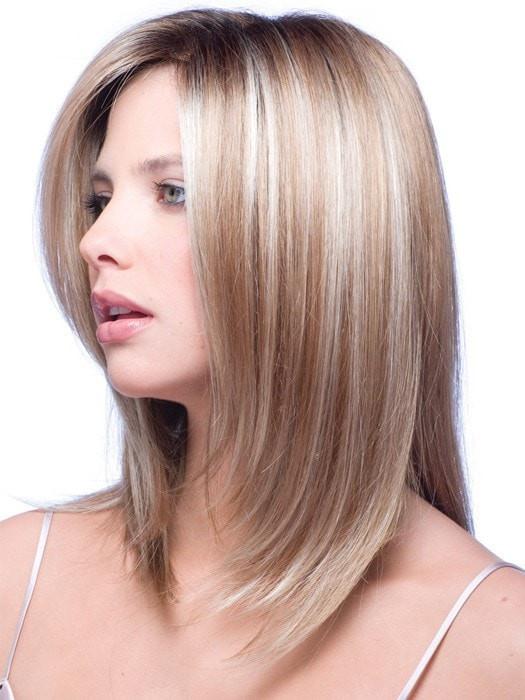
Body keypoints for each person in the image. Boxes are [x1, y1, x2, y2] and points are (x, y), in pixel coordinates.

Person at [1, 8, 524, 698]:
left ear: (318, 228)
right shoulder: (17, 582)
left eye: (173, 192)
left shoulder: (492, 647)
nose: (93, 242)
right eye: (99, 200)